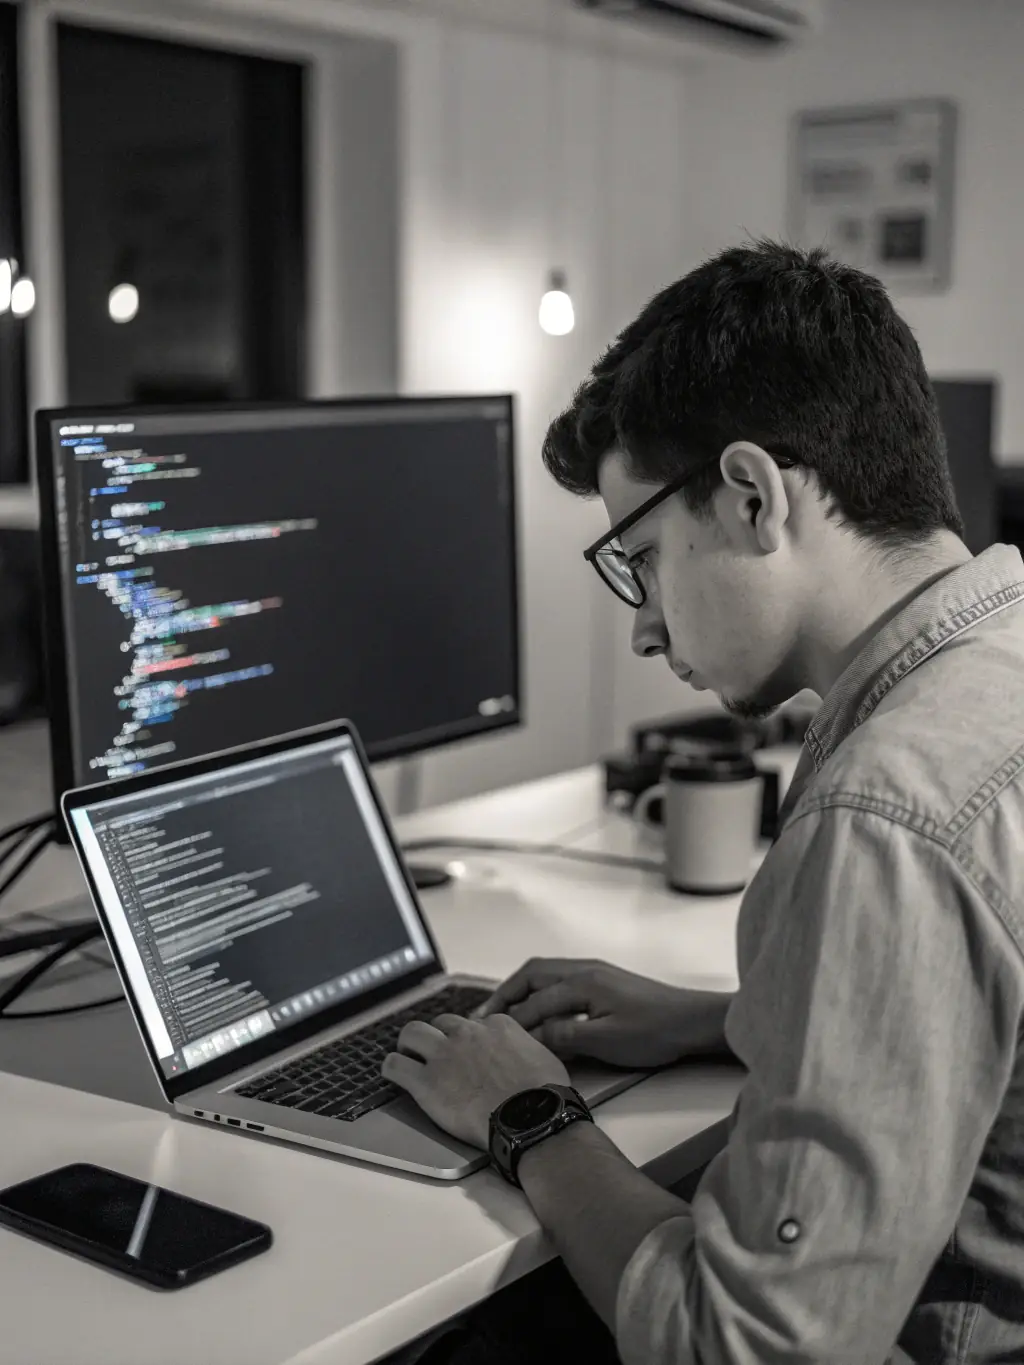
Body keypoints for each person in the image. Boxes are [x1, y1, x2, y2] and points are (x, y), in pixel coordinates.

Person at [381, 241, 1024, 1364]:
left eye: (639, 559)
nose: (641, 625)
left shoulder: (887, 817)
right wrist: (717, 1018)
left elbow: (748, 1346)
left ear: (750, 497)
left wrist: (528, 1117)